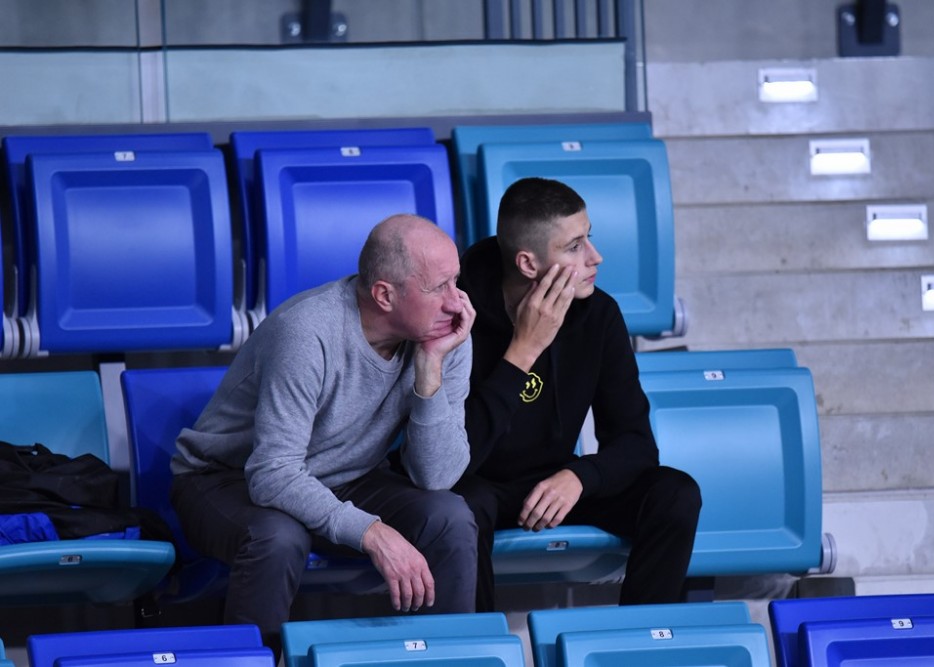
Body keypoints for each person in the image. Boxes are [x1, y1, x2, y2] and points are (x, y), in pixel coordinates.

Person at [170, 214, 478, 657]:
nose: (457, 302)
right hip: (224, 479)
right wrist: (372, 531)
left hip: (343, 476)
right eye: (439, 287)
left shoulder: (445, 334)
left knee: (450, 517)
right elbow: (272, 474)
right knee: (278, 539)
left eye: (456, 281)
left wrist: (429, 372)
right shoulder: (307, 331)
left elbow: (437, 477)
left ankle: (450, 660)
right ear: (384, 295)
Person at [456, 176, 702, 611]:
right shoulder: (458, 314)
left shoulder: (598, 314)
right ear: (528, 264)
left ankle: (643, 640)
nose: (595, 256)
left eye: (589, 237)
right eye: (574, 247)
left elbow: (636, 443)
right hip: (478, 487)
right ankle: (479, 644)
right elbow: (456, 457)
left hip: (556, 484)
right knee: (461, 509)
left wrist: (580, 477)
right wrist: (524, 350)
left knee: (675, 493)